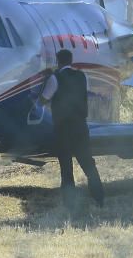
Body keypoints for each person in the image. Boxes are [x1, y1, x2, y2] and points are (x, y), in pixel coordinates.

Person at [40, 49, 105, 207]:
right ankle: (99, 198)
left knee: (66, 167)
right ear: (71, 61)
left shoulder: (55, 78)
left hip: (63, 129)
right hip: (81, 126)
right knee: (88, 164)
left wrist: (45, 80)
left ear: (58, 61)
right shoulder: (82, 76)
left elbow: (43, 99)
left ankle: (70, 204)